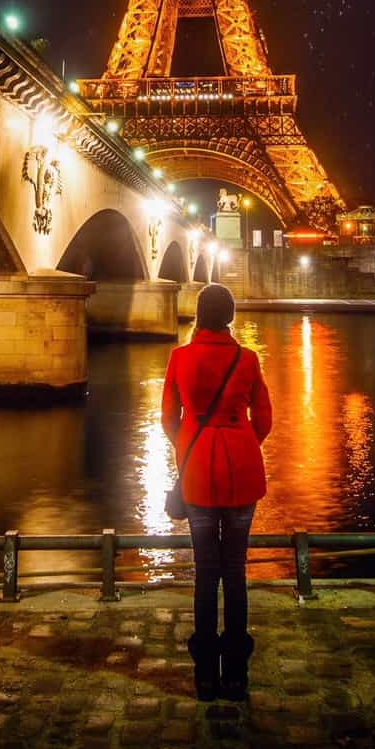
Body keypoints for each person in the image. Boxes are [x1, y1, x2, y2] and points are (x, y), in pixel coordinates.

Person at [160, 282, 273, 701]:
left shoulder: (180, 358)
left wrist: (190, 442)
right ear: (230, 316)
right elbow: (264, 416)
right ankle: (237, 673)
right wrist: (242, 441)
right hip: (242, 470)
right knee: (236, 571)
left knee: (206, 573)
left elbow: (169, 417)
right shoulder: (247, 359)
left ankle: (205, 673)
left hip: (197, 475)